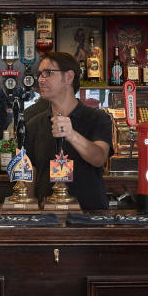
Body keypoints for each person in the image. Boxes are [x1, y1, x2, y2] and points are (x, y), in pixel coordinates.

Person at [25, 52, 112, 210]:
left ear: (69, 77)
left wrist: (71, 134)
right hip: (48, 219)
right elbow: (30, 174)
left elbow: (99, 158)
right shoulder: (33, 124)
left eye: (48, 73)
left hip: (90, 218)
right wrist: (31, 214)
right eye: (39, 74)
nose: (40, 79)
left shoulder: (97, 118)